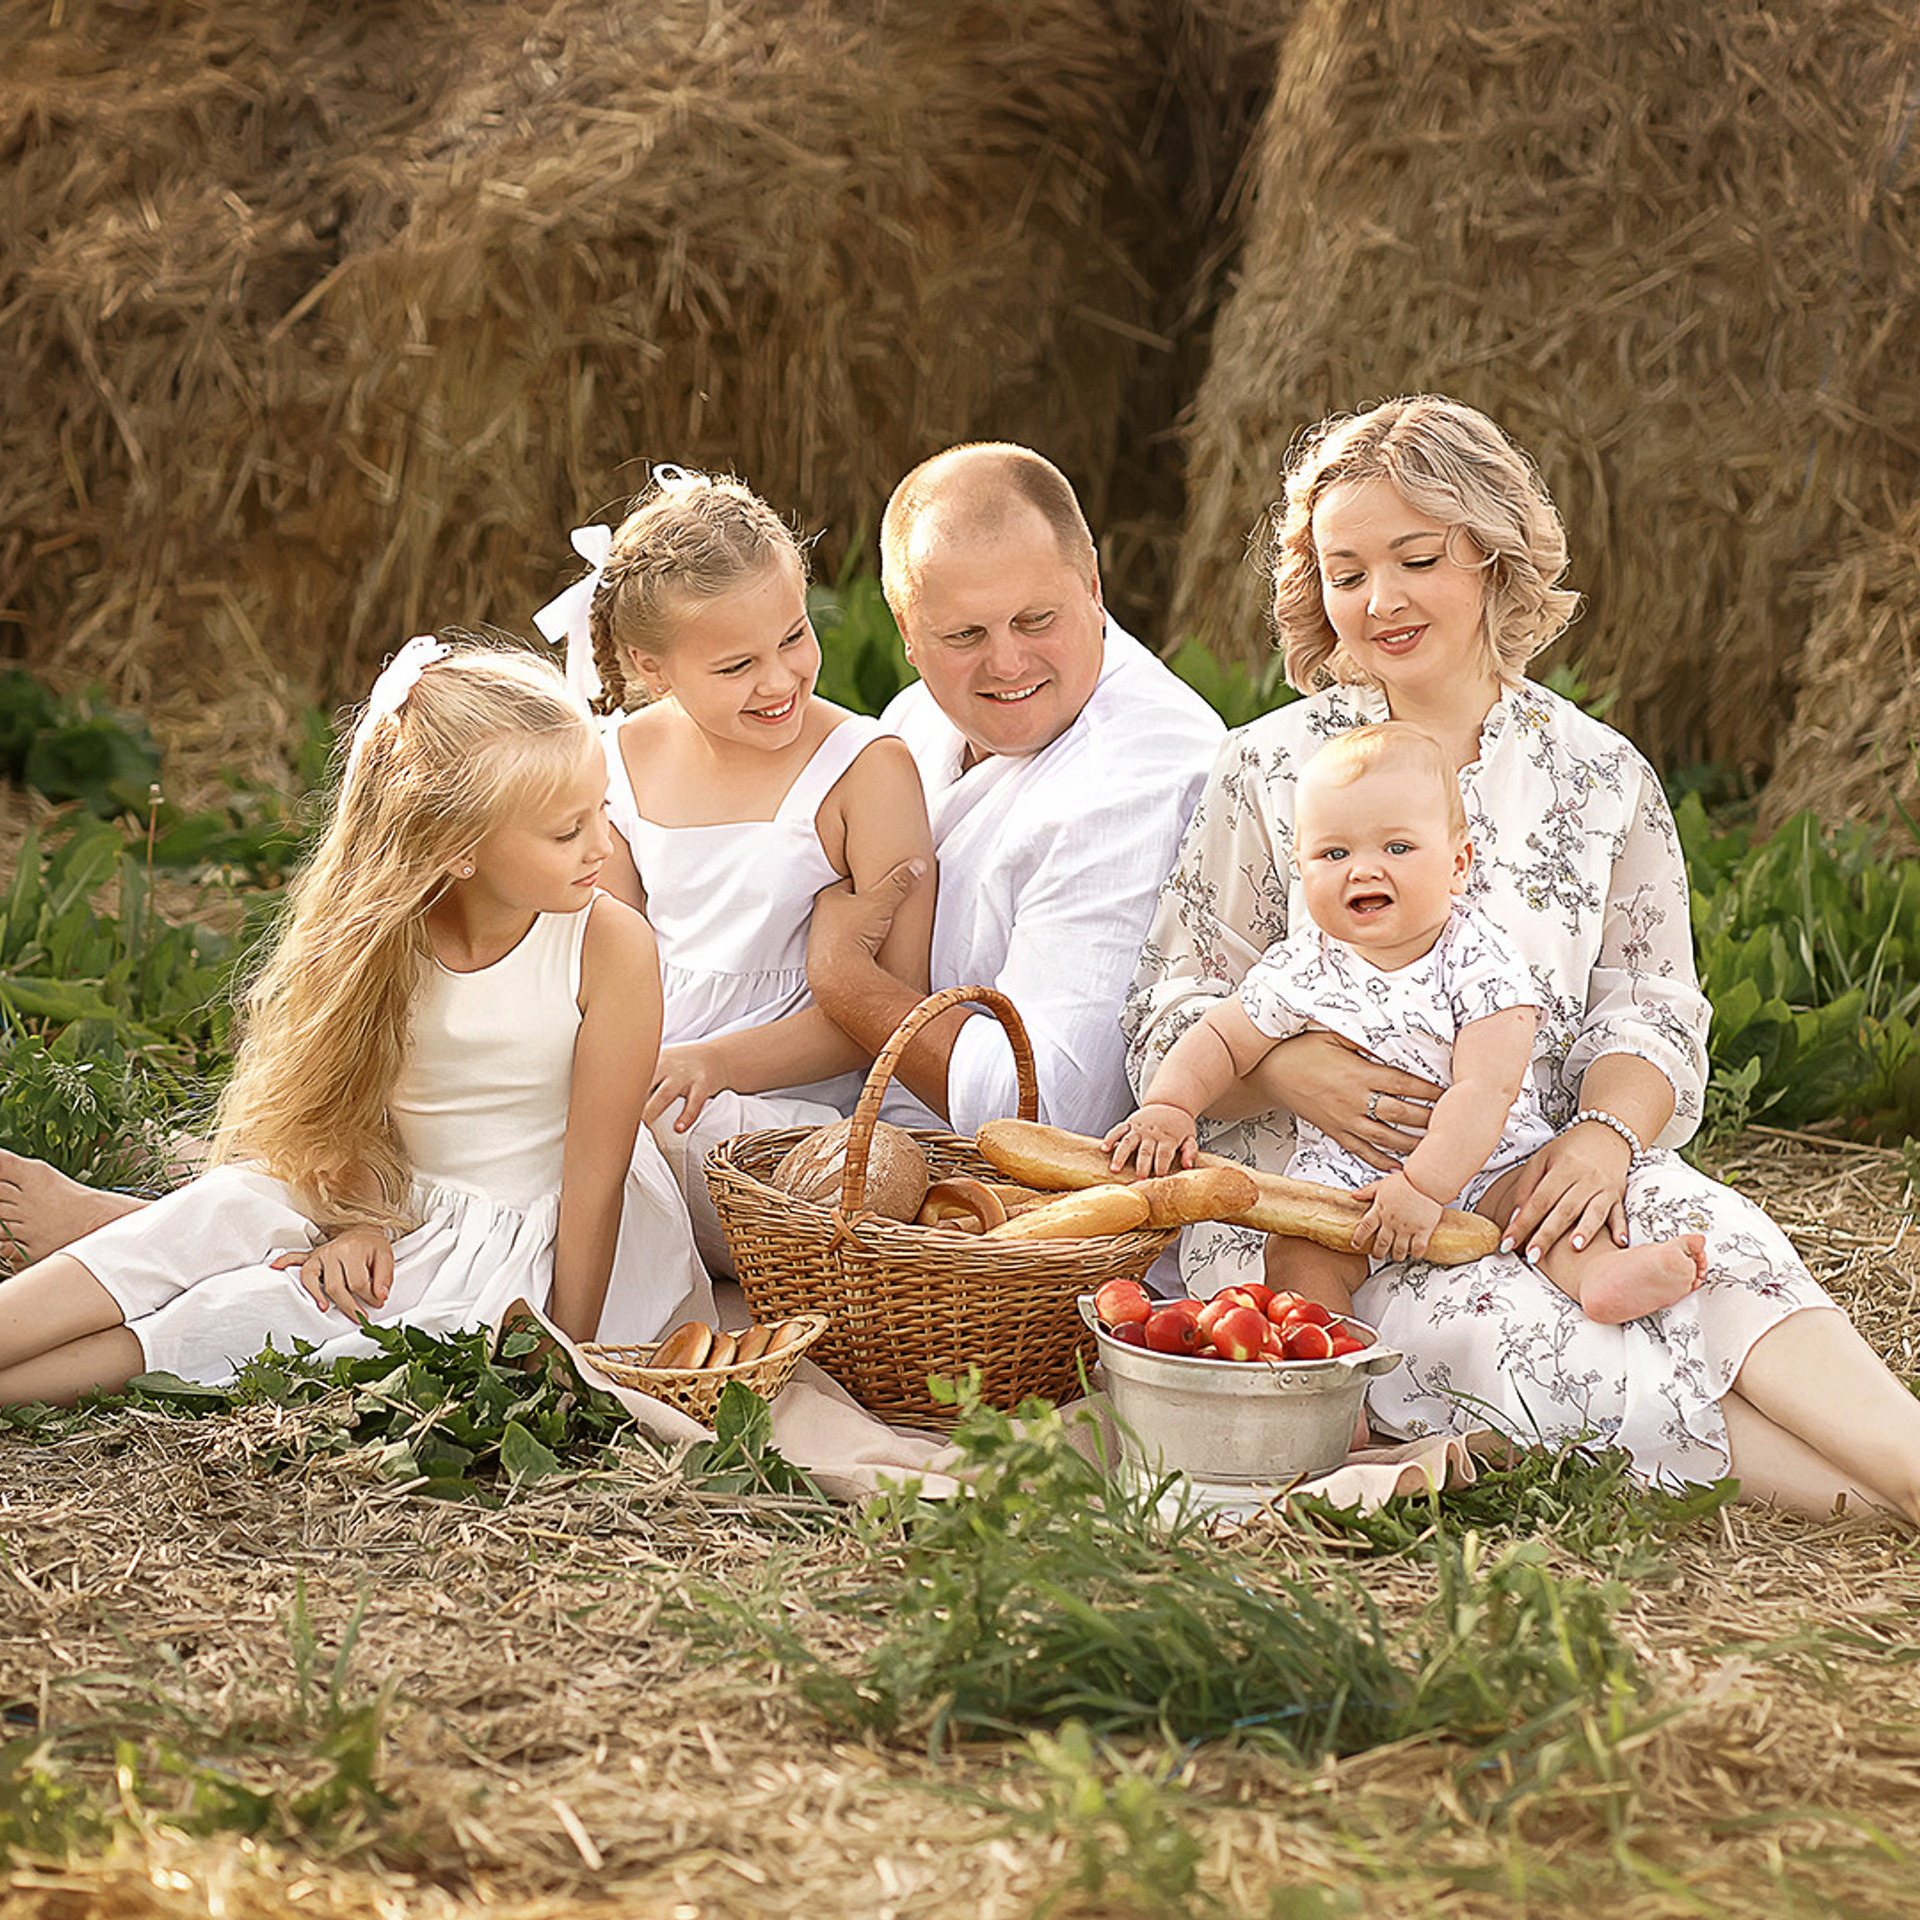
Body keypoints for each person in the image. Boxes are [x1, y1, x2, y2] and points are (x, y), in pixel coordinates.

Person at [1123, 394, 1920, 1522]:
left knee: (1721, 1243)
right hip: (1336, 1221)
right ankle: (1889, 1497)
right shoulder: (1268, 769)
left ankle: (1909, 1466)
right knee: (1544, 1336)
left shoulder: (1601, 775)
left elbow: (1650, 1009)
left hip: (1537, 1164)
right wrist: (1293, 1072)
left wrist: (1603, 1140)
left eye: (1417, 559)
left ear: (1495, 558)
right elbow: (1175, 1004)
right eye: (1347, 572)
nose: (1381, 600)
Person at [0, 640, 708, 1404]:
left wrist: (564, 1354)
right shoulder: (380, 934)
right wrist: (359, 1219)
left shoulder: (608, 946)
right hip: (393, 1194)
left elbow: (595, 1185)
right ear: (456, 849)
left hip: (531, 1239)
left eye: (603, 810)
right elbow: (348, 1108)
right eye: (567, 832)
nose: (603, 846)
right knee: (228, 1203)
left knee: (254, 1314)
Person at [1107, 720, 1707, 1326]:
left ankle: (1600, 1274)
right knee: (1296, 1255)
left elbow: (1486, 1087)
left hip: (1487, 1165)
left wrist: (1423, 1187)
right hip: (1346, 1185)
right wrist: (1170, 1106)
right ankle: (1327, 1359)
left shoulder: (1477, 957)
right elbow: (1221, 1038)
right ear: (1301, 869)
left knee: (1538, 1208)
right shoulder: (1303, 964)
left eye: (1396, 848)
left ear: (1458, 864)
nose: (1363, 870)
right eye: (1333, 854)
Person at [534, 469, 936, 1269]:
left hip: (798, 1112)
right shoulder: (617, 763)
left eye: (794, 636)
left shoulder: (867, 772)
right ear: (652, 667)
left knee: (656, 1147)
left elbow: (894, 1008)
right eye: (735, 666)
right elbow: (603, 961)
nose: (780, 680)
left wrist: (712, 1065)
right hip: (653, 1074)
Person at [803, 442, 1224, 1139]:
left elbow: (1044, 1110)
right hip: (862, 1143)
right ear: (907, 631)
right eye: (965, 634)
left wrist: (845, 982)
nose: (1006, 663)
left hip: (1026, 1198)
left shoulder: (1135, 774)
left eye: (1036, 620)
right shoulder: (914, 720)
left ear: (1093, 587)